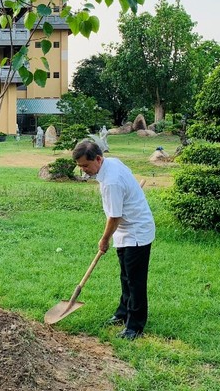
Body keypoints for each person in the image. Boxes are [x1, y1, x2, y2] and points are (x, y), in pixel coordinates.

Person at [72, 139, 155, 341]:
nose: (84, 171)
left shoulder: (111, 181)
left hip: (136, 232)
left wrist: (104, 240)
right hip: (124, 230)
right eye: (80, 166)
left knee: (135, 281)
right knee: (125, 276)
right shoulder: (111, 164)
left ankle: (134, 326)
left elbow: (114, 216)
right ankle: (123, 313)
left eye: (85, 165)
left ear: (98, 159)